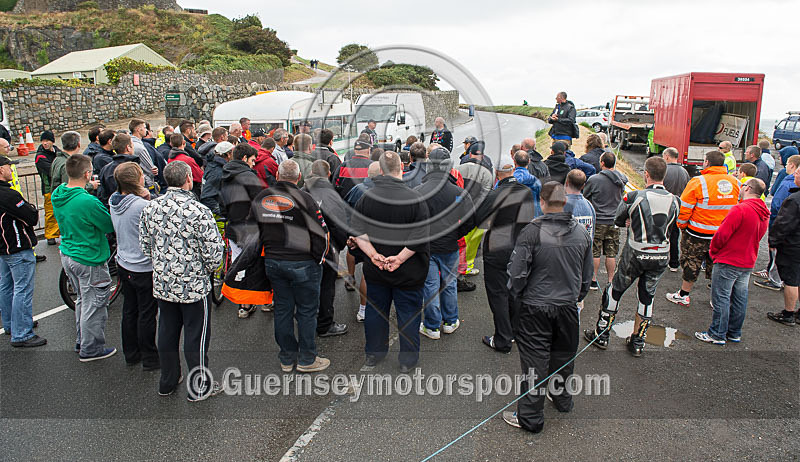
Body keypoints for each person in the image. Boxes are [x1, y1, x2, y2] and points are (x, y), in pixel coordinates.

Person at [503, 182, 592, 432]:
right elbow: (585, 276)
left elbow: (517, 274)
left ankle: (530, 418)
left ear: (542, 202)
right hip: (567, 306)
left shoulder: (531, 232)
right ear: (564, 202)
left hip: (536, 306)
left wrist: (517, 295)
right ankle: (562, 399)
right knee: (564, 356)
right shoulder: (580, 232)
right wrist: (577, 296)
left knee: (534, 361)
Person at [140, 161, 224, 400]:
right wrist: (205, 271)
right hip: (194, 285)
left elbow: (145, 245)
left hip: (164, 281)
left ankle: (168, 380)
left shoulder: (151, 208)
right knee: (196, 336)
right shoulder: (198, 211)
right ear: (188, 178)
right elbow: (213, 253)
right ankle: (199, 386)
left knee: (166, 330)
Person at [584, 157, 679, 356]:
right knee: (647, 296)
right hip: (661, 255)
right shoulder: (676, 200)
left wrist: (630, 220)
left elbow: (618, 219)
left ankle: (601, 334)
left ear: (646, 174)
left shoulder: (635, 196)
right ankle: (638, 341)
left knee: (615, 291)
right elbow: (675, 227)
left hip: (635, 253)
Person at [351, 151, 430, 372]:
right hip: (409, 271)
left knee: (376, 313)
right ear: (401, 168)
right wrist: (400, 258)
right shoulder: (415, 199)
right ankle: (407, 361)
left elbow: (358, 232)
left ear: (381, 171)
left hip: (377, 271)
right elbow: (421, 236)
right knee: (409, 315)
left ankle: (374, 354)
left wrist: (373, 254)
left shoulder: (367, 198)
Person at [252, 159, 331, 372]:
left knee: (283, 309)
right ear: (298, 178)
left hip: (274, 261)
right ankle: (306, 359)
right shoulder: (306, 199)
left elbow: (253, 228)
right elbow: (321, 234)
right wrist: (319, 258)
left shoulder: (262, 197)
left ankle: (287, 358)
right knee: (306, 311)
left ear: (277, 176)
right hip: (303, 263)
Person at [51, 154, 117, 361]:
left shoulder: (58, 194)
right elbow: (108, 225)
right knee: (95, 305)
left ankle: (82, 339)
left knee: (82, 300)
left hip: (69, 253)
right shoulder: (88, 202)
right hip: (89, 256)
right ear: (88, 174)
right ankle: (91, 348)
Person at [695, 178, 768, 344]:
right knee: (739, 298)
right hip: (747, 260)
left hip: (729, 259)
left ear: (748, 188)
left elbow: (722, 234)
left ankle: (717, 333)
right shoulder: (763, 212)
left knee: (721, 296)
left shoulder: (740, 209)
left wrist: (713, 252)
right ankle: (734, 332)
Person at [473, 157, 536, 353]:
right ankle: (515, 331)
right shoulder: (526, 192)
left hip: (497, 250)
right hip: (520, 248)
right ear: (513, 170)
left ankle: (502, 339)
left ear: (497, 174)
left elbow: (478, 220)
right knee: (515, 290)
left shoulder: (494, 195)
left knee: (498, 294)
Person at [666, 151, 739, 306]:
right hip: (722, 234)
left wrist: (682, 226)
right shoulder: (735, 183)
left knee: (691, 262)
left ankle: (684, 294)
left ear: (707, 162)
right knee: (718, 265)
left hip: (697, 233)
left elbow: (684, 208)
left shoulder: (698, 182)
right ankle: (716, 299)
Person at [417, 148, 476, 340]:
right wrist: (456, 233)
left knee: (430, 286)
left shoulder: (419, 192)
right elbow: (470, 219)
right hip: (450, 245)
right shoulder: (458, 192)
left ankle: (432, 326)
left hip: (426, 247)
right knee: (449, 284)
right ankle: (450, 321)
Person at [109, 162, 159, 369]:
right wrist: (147, 198)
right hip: (143, 265)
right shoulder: (141, 206)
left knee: (130, 310)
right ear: (137, 179)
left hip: (124, 261)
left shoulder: (113, 201)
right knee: (147, 313)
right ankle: (150, 357)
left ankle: (131, 352)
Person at [0, 156, 46, 347]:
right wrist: (30, 210)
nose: (12, 171)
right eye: (9, 167)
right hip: (17, 247)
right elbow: (31, 216)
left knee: (6, 286)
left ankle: (13, 324)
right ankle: (21, 333)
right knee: (22, 289)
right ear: (1, 170)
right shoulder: (9, 195)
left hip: (3, 247)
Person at [220, 143, 268, 318]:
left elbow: (221, 204)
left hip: (233, 227)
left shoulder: (224, 175)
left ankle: (243, 305)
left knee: (238, 264)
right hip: (250, 229)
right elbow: (259, 204)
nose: (254, 164)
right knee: (256, 265)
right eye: (253, 160)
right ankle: (263, 301)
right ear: (244, 158)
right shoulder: (249, 176)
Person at [304, 160, 349, 337]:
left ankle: (307, 319)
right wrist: (338, 245)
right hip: (326, 247)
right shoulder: (331, 195)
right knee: (326, 286)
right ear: (328, 174)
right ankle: (325, 324)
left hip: (303, 247)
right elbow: (339, 225)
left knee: (307, 285)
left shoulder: (302, 192)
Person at [583, 152, 628, 290]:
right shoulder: (621, 179)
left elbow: (585, 195)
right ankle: (610, 280)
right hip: (614, 221)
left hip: (598, 220)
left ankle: (593, 279)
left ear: (602, 163)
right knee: (611, 252)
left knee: (595, 251)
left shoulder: (594, 179)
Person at [755, 154, 800, 291]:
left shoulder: (787, 184)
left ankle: (775, 280)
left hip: (785, 233)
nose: (785, 166)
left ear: (792, 166)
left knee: (778, 257)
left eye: (787, 164)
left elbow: (777, 205)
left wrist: (774, 240)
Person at [766, 169, 800, 326]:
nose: (794, 176)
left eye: (797, 174)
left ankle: (788, 313)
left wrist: (773, 241)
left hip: (793, 247)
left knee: (791, 281)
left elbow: (783, 225)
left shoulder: (794, 200)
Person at [662, 147, 690, 271]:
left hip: (664, 206)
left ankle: (659, 259)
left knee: (661, 234)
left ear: (667, 156)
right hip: (679, 207)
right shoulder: (684, 172)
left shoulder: (664, 170)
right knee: (674, 234)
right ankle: (674, 262)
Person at [34, 130, 61, 245]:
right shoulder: (40, 156)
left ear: (52, 142)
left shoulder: (57, 151)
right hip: (48, 188)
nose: (45, 143)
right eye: (43, 141)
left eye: (47, 141)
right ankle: (50, 235)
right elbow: (52, 171)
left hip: (59, 186)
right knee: (50, 212)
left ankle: (59, 231)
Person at [97, 133, 139, 206]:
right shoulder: (131, 168)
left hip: (111, 208)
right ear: (128, 147)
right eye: (132, 145)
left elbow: (102, 193)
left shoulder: (105, 168)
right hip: (130, 206)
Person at [199, 141, 234, 217]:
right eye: (233, 153)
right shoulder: (217, 172)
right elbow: (207, 198)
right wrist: (225, 213)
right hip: (218, 218)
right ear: (228, 154)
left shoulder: (212, 164)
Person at [166, 133, 203, 199]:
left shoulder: (170, 159)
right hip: (190, 189)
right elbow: (199, 176)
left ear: (171, 143)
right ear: (184, 142)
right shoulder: (188, 159)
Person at [563, 169, 595, 239]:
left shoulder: (560, 205)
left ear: (567, 183)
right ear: (583, 186)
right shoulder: (590, 206)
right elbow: (591, 236)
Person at [129, 118, 158, 191]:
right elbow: (151, 168)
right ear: (138, 130)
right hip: (146, 183)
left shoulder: (131, 142)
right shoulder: (140, 147)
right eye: (144, 128)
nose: (146, 130)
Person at [513, 150, 542, 216]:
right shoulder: (535, 181)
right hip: (532, 215)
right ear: (529, 161)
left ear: (514, 161)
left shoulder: (508, 180)